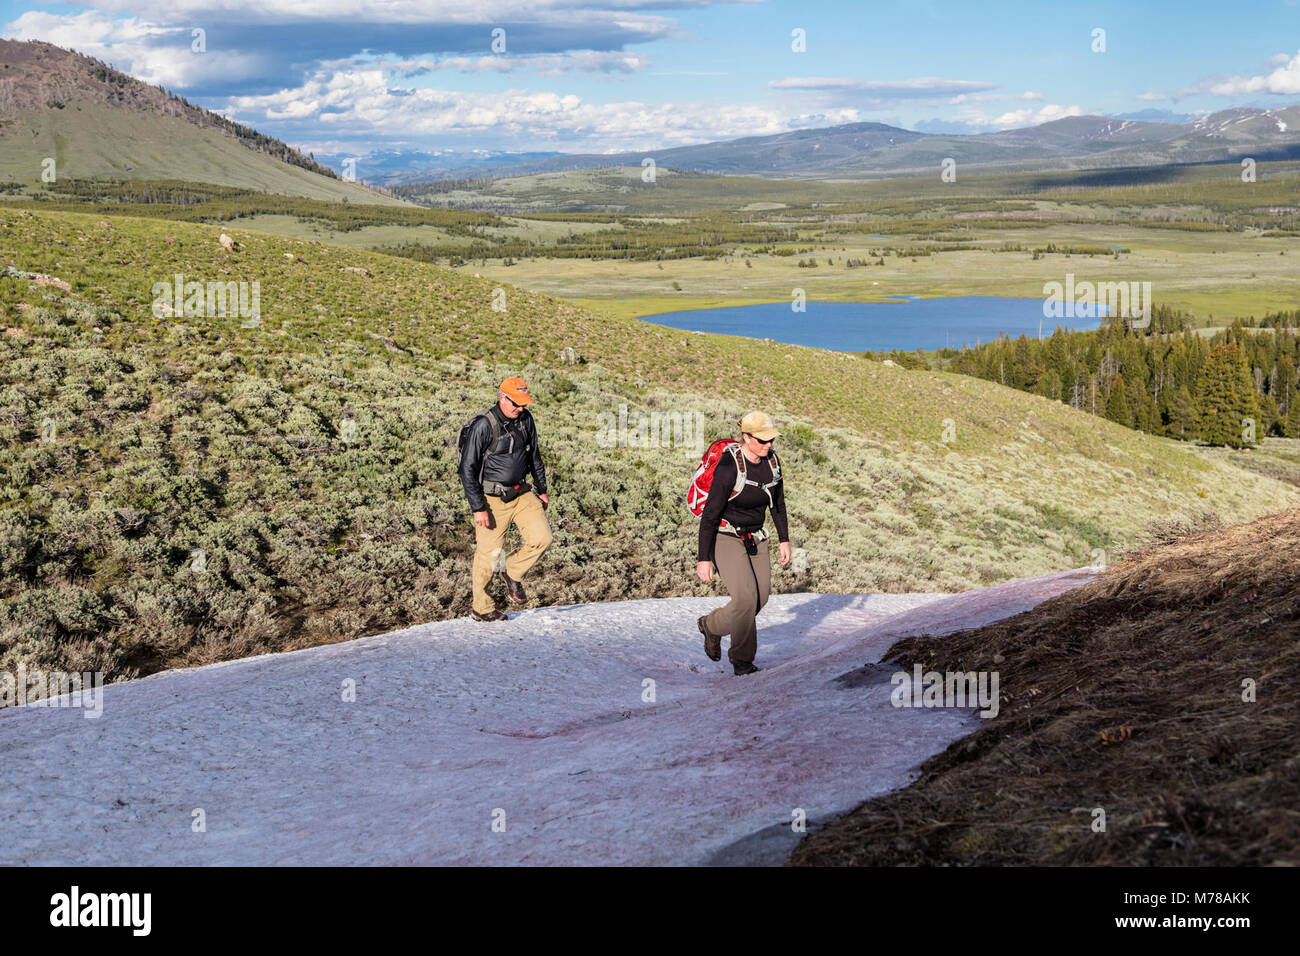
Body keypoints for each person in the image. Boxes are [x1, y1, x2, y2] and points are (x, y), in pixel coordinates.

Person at [696, 411, 791, 675]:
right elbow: (710, 515)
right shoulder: (729, 466)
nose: (768, 445)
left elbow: (778, 503)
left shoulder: (772, 462)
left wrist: (784, 539)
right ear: (746, 437)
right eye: (761, 440)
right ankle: (742, 662)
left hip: (756, 536)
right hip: (725, 536)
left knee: (759, 599)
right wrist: (703, 558)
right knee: (746, 599)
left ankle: (711, 626)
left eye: (771, 439)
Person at [459, 376, 553, 621]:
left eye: (523, 404)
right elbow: (467, 468)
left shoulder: (526, 419)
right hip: (492, 499)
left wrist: (542, 489)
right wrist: (478, 507)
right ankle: (483, 608)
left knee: (542, 538)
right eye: (516, 403)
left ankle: (511, 571)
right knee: (489, 556)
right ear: (502, 397)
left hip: (522, 492)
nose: (520, 408)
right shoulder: (483, 425)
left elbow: (535, 457)